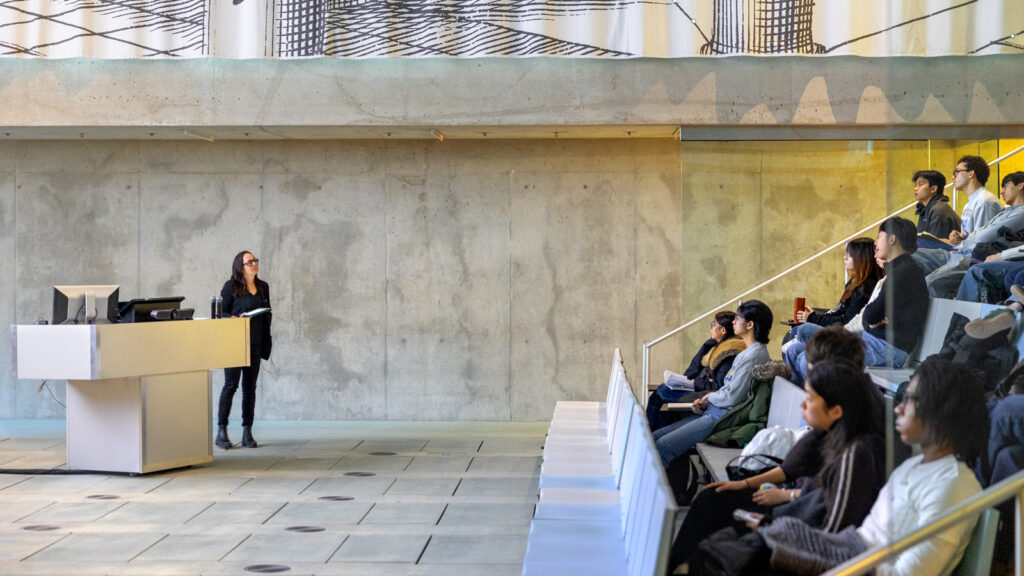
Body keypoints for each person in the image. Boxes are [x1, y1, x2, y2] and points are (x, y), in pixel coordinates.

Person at [747, 357, 989, 576]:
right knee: (750, 543)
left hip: (857, 566)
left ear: (940, 411)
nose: (898, 408)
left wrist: (810, 555)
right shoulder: (915, 466)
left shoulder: (953, 487)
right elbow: (863, 537)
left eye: (910, 400)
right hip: (852, 555)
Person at [667, 355, 885, 570]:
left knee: (719, 528)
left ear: (836, 410)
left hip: (800, 532)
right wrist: (744, 484)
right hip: (790, 514)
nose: (802, 404)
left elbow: (828, 529)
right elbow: (791, 468)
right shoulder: (830, 432)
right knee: (713, 497)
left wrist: (771, 523)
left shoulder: (858, 454)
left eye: (810, 397)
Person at [653, 300, 772, 468]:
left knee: (662, 446)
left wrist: (709, 399)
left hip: (721, 418)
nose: (733, 322)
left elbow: (732, 397)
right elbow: (728, 389)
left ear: (750, 324)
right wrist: (708, 400)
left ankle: (662, 492)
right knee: (655, 437)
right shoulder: (749, 353)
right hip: (714, 411)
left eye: (737, 318)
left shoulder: (752, 356)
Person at [646, 311, 746, 431]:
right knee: (661, 391)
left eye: (713, 324)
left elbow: (719, 386)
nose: (711, 327)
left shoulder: (729, 353)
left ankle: (652, 436)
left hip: (707, 394)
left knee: (662, 395)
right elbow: (692, 370)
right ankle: (649, 434)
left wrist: (696, 383)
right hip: (700, 388)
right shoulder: (715, 347)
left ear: (723, 331)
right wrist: (705, 346)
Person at [216, 250, 272, 450]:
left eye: (255, 261)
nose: (254, 264)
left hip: (255, 343)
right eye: (249, 262)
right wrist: (233, 319)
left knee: (250, 388)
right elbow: (220, 314)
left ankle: (247, 430)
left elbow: (268, 313)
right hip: (234, 342)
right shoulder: (230, 287)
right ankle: (221, 430)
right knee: (231, 385)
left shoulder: (263, 287)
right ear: (240, 266)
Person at [785, 237, 882, 344]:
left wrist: (813, 318)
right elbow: (841, 312)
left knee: (801, 330)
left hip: (848, 335)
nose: (844, 258)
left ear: (861, 259)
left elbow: (846, 321)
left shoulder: (866, 288)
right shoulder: (853, 283)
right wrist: (813, 317)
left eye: (849, 255)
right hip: (841, 329)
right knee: (795, 332)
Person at [953, 172, 1024, 302]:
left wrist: (1002, 256)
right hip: (973, 249)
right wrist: (965, 239)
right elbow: (981, 233)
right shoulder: (1006, 211)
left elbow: (983, 237)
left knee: (977, 271)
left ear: (1020, 186)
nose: (1001, 192)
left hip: (980, 252)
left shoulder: (1020, 212)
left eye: (1006, 186)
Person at [950, 154, 1001, 241]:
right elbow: (972, 238)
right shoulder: (969, 203)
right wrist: (959, 237)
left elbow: (983, 242)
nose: (953, 177)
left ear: (971, 174)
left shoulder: (984, 201)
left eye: (957, 172)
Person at [911, 169, 959, 247]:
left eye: (920, 184)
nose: (916, 188)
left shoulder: (938, 209)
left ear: (933, 189)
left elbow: (935, 244)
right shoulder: (925, 208)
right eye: (916, 185)